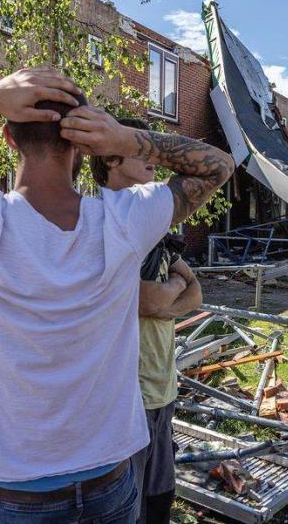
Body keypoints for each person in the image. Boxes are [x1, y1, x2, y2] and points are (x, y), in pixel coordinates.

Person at [0, 68, 234, 523]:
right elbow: (218, 164)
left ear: (8, 137)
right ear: (82, 143)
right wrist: (125, 138)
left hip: (14, 497)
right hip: (110, 485)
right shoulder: (124, 222)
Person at [90, 119, 203, 524]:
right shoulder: (100, 222)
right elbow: (145, 297)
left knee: (159, 502)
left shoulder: (151, 229)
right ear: (111, 159)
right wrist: (166, 294)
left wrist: (165, 301)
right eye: (142, 150)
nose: (154, 158)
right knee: (127, 508)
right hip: (127, 396)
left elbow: (193, 292)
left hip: (162, 388)